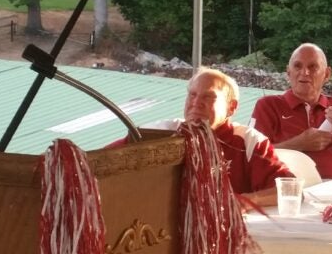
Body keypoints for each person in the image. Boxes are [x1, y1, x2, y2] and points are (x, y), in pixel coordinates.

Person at [118, 68, 294, 207]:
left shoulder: (248, 140)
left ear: (231, 107)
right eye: (192, 95)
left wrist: (245, 201)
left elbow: (289, 190)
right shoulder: (160, 132)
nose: (196, 103)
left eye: (208, 97)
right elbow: (105, 159)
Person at [252, 43, 332, 179]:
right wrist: (299, 144)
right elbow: (252, 157)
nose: (304, 73)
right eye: (298, 66)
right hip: (292, 190)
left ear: (327, 74)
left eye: (313, 67)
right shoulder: (268, 106)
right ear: (288, 72)